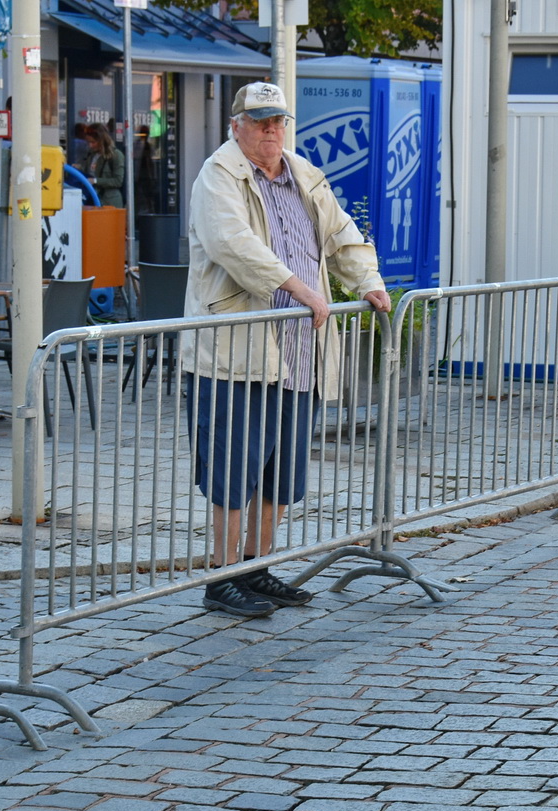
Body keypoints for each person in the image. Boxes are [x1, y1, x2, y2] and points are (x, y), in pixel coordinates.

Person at [183, 81, 392, 618]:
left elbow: (342, 234)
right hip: (239, 349)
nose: (272, 130)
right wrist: (298, 286)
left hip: (299, 348)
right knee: (234, 467)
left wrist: (367, 280)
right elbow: (233, 244)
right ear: (237, 126)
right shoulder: (218, 175)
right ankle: (222, 576)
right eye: (260, 122)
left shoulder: (304, 173)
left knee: (282, 468)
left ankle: (256, 567)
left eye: (278, 121)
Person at [89, 122, 126, 209]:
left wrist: (95, 181)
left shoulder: (116, 155)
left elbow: (118, 181)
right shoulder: (91, 155)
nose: (90, 145)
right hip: (94, 199)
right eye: (89, 142)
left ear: (101, 140)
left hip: (110, 202)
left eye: (93, 142)